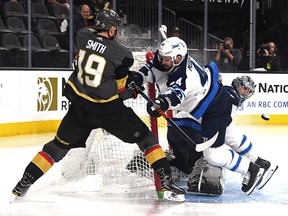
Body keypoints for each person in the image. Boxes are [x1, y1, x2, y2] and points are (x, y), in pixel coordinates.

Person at [11, 9, 185, 202]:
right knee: (147, 140)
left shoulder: (82, 36)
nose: (117, 32)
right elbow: (121, 92)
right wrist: (133, 88)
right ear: (110, 29)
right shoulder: (122, 54)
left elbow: (94, 43)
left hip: (80, 108)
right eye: (115, 28)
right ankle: (167, 181)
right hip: (108, 111)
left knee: (55, 148)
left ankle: (23, 183)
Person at [129, 36, 265, 196]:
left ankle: (251, 169)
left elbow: (176, 94)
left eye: (167, 59)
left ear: (178, 58)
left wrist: (161, 102)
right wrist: (139, 76)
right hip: (210, 107)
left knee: (214, 155)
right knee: (219, 143)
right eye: (163, 58)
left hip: (215, 110)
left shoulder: (185, 77)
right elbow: (153, 66)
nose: (163, 61)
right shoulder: (174, 60)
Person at [166, 76, 278, 196]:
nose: (245, 92)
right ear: (236, 85)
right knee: (213, 154)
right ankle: (251, 168)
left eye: (248, 91)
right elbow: (226, 131)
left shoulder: (224, 93)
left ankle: (178, 168)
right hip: (190, 131)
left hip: (175, 129)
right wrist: (254, 159)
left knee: (193, 162)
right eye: (244, 88)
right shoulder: (231, 95)